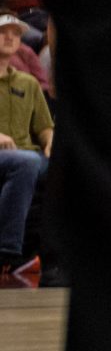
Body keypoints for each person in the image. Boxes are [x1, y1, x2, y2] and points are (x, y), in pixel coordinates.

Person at [0, 16, 53, 276]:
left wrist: (50, 142)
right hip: (11, 156)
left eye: (15, 33)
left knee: (72, 167)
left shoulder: (28, 82)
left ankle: (55, 260)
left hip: (25, 155)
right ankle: (7, 251)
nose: (10, 37)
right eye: (3, 32)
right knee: (28, 162)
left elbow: (44, 126)